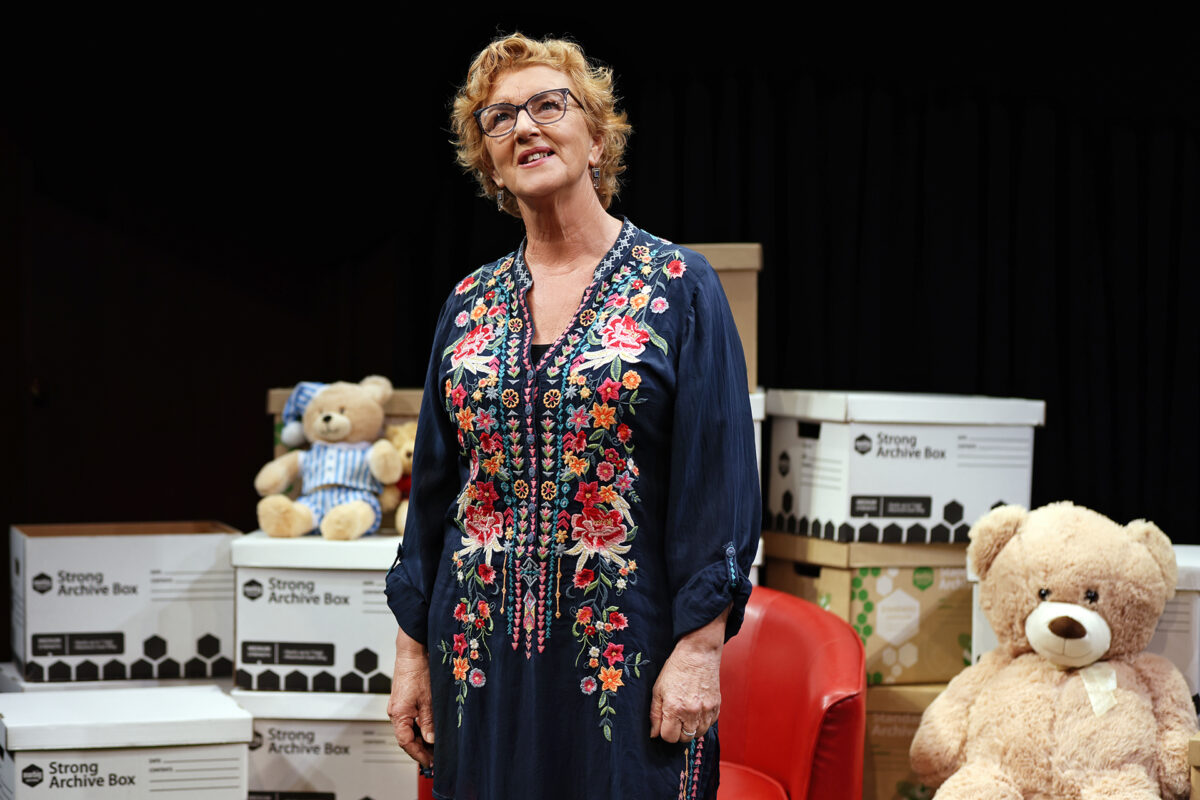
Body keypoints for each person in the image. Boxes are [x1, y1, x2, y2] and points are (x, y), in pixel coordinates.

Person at [385, 33, 760, 800]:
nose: (524, 126)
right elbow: (432, 497)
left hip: (626, 654)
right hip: (477, 658)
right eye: (499, 119)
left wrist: (700, 651)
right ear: (490, 165)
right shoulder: (467, 303)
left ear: (596, 138)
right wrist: (410, 653)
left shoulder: (680, 286)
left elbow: (718, 484)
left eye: (548, 106)